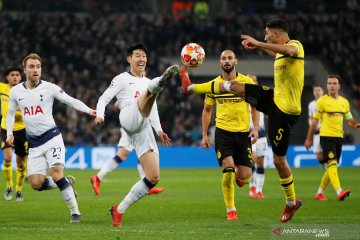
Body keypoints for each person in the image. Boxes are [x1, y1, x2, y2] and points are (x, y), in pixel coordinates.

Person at [179, 19, 304, 223]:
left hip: (286, 112)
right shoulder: (279, 53)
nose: (265, 37)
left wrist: (258, 42)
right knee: (234, 86)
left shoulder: (296, 46)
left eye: (267, 34)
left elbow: (289, 50)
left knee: (279, 161)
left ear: (277, 33)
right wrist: (258, 46)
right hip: (273, 102)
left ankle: (291, 203)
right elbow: (278, 52)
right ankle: (190, 88)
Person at [94, 43, 179, 227]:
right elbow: (104, 98)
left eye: (144, 56)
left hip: (144, 127)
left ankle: (119, 210)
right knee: (149, 91)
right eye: (137, 56)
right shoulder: (122, 79)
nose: (141, 59)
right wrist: (100, 114)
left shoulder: (147, 82)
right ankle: (163, 79)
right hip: (127, 117)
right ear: (129, 59)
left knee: (153, 177)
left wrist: (158, 130)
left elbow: (153, 109)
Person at [6, 53, 96, 223]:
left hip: (51, 137)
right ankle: (66, 182)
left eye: (38, 67)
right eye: (31, 67)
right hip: (33, 144)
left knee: (55, 173)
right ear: (25, 70)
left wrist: (90, 111)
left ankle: (75, 213)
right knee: (36, 184)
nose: (35, 70)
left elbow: (70, 100)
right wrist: (10, 133)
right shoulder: (16, 91)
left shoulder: (50, 88)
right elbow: (10, 113)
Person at [201, 50, 259, 221]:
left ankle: (239, 177)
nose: (227, 61)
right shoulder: (214, 84)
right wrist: (205, 134)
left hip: (242, 134)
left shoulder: (247, 82)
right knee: (227, 168)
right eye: (224, 59)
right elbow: (207, 110)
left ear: (236, 61)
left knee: (245, 176)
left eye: (230, 58)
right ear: (220, 62)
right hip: (223, 133)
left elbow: (255, 107)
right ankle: (231, 210)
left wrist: (255, 129)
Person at [90, 99, 165, 197]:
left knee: (126, 154)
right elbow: (117, 104)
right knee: (140, 151)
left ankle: (98, 177)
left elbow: (117, 104)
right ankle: (98, 177)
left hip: (136, 124)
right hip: (132, 125)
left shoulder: (136, 88)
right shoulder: (133, 88)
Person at [305, 75, 360, 201]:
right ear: (327, 86)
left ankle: (319, 192)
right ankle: (339, 191)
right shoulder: (322, 102)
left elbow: (349, 120)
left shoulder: (344, 102)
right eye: (329, 83)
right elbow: (314, 122)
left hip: (338, 137)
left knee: (332, 166)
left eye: (334, 83)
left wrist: (356, 125)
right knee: (332, 163)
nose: (331, 86)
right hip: (326, 136)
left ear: (339, 86)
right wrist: (308, 139)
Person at [1, 66, 28, 201]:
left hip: (22, 130)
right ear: (7, 77)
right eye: (12, 75)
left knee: (21, 163)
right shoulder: (2, 88)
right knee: (7, 158)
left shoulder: (27, 91)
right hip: (5, 128)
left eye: (17, 75)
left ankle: (19, 189)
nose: (15, 77)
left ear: (20, 77)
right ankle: (9, 185)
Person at [247, 74, 268, 199]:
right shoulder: (242, 97)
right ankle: (252, 187)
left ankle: (259, 190)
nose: (252, 82)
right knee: (251, 160)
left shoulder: (262, 98)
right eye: (250, 80)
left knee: (260, 162)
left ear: (256, 82)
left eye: (254, 80)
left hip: (261, 134)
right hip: (247, 134)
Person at [308, 84, 325, 171]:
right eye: (315, 90)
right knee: (318, 156)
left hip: (326, 132)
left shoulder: (327, 102)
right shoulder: (311, 104)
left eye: (319, 90)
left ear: (322, 91)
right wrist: (312, 126)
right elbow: (310, 117)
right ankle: (327, 172)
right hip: (316, 133)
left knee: (329, 155)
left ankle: (331, 175)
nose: (317, 92)